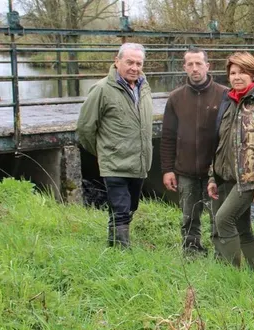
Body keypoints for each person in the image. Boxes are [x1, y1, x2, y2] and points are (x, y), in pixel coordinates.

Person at [207, 51, 254, 270]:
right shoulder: (229, 102)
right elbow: (219, 143)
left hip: (249, 179)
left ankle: (233, 274)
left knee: (223, 220)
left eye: (243, 72)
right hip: (227, 177)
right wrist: (212, 176)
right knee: (242, 227)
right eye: (233, 72)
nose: (237, 77)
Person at [77, 43, 153, 248]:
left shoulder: (144, 86)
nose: (134, 67)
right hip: (115, 162)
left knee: (130, 207)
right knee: (120, 209)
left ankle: (114, 244)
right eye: (129, 62)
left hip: (139, 162)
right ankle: (121, 253)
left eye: (138, 63)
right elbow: (85, 128)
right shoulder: (102, 89)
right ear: (117, 61)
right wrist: (104, 152)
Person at [160, 48, 228, 256]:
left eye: (199, 64)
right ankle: (192, 252)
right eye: (190, 64)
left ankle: (222, 255)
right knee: (189, 217)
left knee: (219, 216)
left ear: (208, 66)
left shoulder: (224, 94)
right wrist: (167, 169)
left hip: (216, 171)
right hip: (186, 170)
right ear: (184, 68)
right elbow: (168, 136)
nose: (194, 68)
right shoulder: (175, 98)